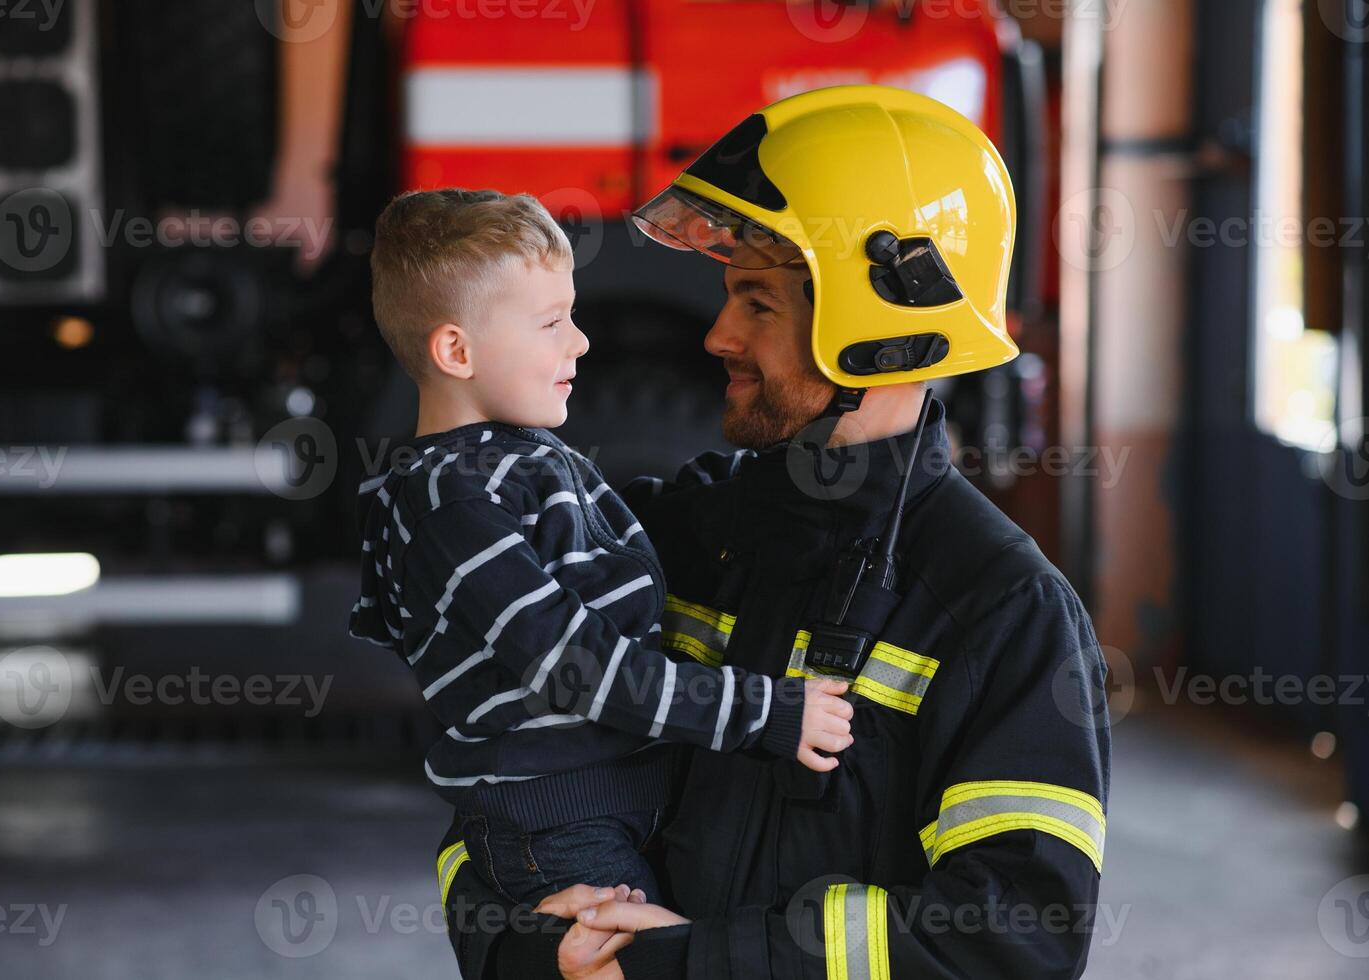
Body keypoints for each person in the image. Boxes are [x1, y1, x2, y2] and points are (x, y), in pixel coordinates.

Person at [435, 85, 1112, 979]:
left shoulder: (1003, 612)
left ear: (884, 331)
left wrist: (679, 965)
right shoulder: (660, 540)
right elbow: (499, 784)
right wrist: (527, 943)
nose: (716, 334)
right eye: (729, 296)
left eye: (757, 303)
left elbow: (1008, 940)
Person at [347, 188, 858, 910]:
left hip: (614, 808)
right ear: (455, 350)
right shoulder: (451, 504)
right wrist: (762, 711)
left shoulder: (514, 458)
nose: (580, 342)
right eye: (551, 323)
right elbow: (571, 665)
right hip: (561, 829)